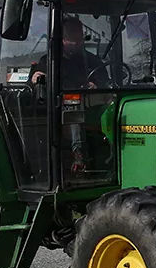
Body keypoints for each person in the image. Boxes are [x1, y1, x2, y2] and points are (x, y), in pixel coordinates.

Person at [30, 17, 110, 173]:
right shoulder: (49, 61)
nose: (75, 43)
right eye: (70, 38)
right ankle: (79, 155)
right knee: (73, 109)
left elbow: (104, 80)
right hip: (58, 111)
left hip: (92, 105)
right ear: (62, 39)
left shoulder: (92, 60)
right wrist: (35, 78)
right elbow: (34, 82)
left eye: (78, 38)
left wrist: (96, 85)